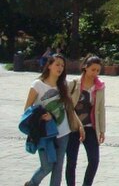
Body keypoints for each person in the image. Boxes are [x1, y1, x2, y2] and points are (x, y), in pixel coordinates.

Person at [23, 53, 84, 186]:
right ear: (49, 65)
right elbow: (27, 109)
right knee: (47, 166)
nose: (60, 68)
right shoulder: (37, 84)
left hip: (63, 131)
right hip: (44, 133)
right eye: (57, 64)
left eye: (62, 65)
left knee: (58, 167)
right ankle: (32, 183)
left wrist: (80, 126)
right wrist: (43, 115)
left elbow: (69, 108)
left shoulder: (63, 85)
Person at [65, 55, 105, 186]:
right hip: (73, 128)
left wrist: (102, 130)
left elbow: (100, 108)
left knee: (94, 160)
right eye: (93, 69)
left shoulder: (100, 86)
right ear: (85, 67)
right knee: (71, 161)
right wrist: (77, 124)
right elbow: (68, 106)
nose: (95, 73)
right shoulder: (73, 83)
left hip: (91, 128)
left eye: (98, 70)